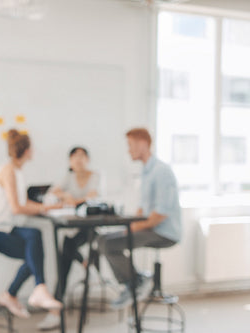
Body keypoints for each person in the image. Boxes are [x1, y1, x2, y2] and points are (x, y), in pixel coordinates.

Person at [0, 129, 62, 319]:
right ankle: (27, 291)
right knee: (34, 249)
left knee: (34, 239)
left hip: (1, 226)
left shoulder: (16, 171)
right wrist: (47, 207)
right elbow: (16, 207)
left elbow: (22, 203)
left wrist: (51, 206)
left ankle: (21, 293)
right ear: (27, 150)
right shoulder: (9, 171)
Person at [98, 128, 181, 309]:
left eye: (130, 145)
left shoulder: (161, 171)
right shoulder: (146, 172)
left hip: (163, 232)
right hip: (150, 227)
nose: (128, 150)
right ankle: (134, 282)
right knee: (103, 239)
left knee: (109, 244)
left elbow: (161, 213)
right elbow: (142, 209)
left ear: (143, 144)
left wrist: (133, 228)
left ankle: (135, 282)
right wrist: (128, 225)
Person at [38, 147, 101, 330]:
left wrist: (72, 199)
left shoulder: (96, 176)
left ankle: (55, 312)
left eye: (82, 156)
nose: (78, 160)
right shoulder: (68, 177)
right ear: (70, 161)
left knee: (66, 251)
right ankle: (85, 262)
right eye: (74, 157)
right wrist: (65, 195)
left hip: (90, 228)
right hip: (73, 228)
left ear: (87, 159)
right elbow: (52, 193)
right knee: (64, 259)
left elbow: (91, 198)